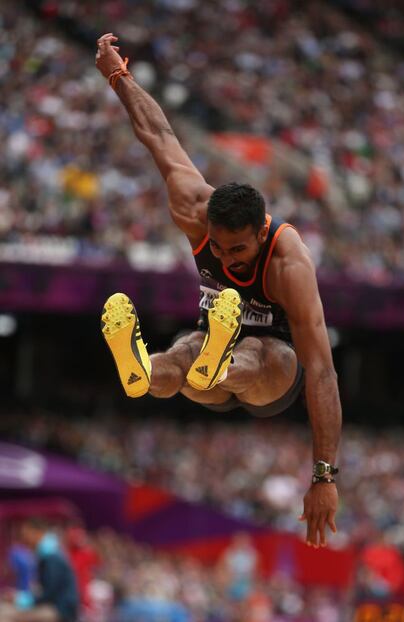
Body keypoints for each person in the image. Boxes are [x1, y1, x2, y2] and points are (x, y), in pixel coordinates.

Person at [95, 33, 342, 549]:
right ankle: (141, 370)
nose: (226, 261)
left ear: (260, 231)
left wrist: (323, 475)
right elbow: (157, 134)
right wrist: (119, 77)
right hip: (211, 365)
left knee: (252, 352)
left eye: (238, 253)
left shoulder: (287, 261)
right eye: (220, 251)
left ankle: (215, 359)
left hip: (274, 376)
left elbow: (319, 367)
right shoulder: (195, 209)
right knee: (181, 353)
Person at [2, 517, 79, 622]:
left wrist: (21, 600)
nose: (25, 539)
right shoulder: (49, 553)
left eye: (26, 534)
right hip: (57, 606)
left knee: (4, 616)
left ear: (37, 533)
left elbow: (49, 593)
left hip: (60, 610)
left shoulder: (52, 556)